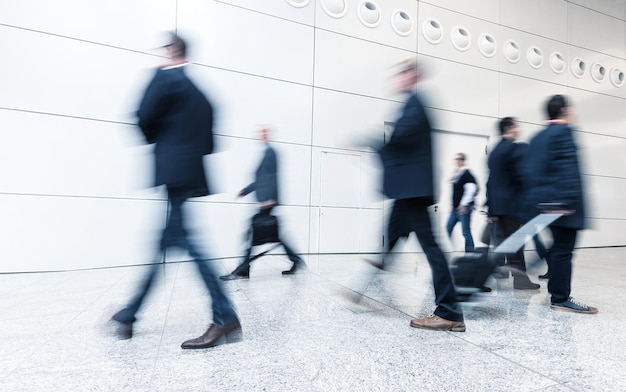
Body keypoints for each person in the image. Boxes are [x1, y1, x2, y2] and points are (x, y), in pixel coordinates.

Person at [110, 33, 243, 348]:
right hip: (191, 171)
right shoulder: (202, 94)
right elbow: (211, 140)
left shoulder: (165, 78)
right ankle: (129, 314)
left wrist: (164, 144)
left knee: (185, 243)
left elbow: (142, 118)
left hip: (171, 168)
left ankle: (225, 318)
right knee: (166, 242)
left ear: (171, 51)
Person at [376, 60, 465, 331]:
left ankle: (450, 312)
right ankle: (366, 280)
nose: (398, 79)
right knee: (394, 236)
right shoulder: (414, 103)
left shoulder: (416, 103)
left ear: (412, 76)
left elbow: (398, 140)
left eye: (402, 74)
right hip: (409, 191)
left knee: (432, 248)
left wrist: (368, 143)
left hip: (413, 190)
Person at [523, 95, 597, 314]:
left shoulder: (538, 137)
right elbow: (569, 171)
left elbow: (529, 172)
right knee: (563, 251)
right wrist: (565, 202)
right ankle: (561, 298)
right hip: (562, 206)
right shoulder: (565, 133)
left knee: (557, 250)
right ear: (565, 110)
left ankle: (557, 293)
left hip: (543, 205)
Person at [220, 126, 305, 280]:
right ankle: (295, 260)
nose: (262, 135)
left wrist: (270, 199)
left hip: (267, 201)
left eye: (265, 132)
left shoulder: (271, 152)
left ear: (269, 135)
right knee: (274, 235)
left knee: (252, 233)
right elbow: (260, 179)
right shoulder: (266, 152)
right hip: (266, 200)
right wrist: (245, 191)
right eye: (261, 133)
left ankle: (244, 269)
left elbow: (273, 176)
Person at [486, 117, 540, 289]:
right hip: (511, 204)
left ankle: (506, 272)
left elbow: (490, 181)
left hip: (498, 206)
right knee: (517, 242)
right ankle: (520, 280)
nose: (519, 129)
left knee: (507, 242)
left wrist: (490, 207)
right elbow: (521, 176)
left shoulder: (495, 151)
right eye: (516, 126)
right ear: (509, 128)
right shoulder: (513, 149)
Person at [446, 153, 477, 253]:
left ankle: (470, 254)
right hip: (455, 208)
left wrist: (464, 204)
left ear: (463, 160)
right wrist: (451, 204)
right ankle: (447, 251)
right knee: (447, 228)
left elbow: (471, 190)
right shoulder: (456, 173)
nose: (457, 161)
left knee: (465, 232)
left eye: (459, 159)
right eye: (455, 159)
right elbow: (455, 191)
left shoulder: (467, 174)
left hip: (464, 208)